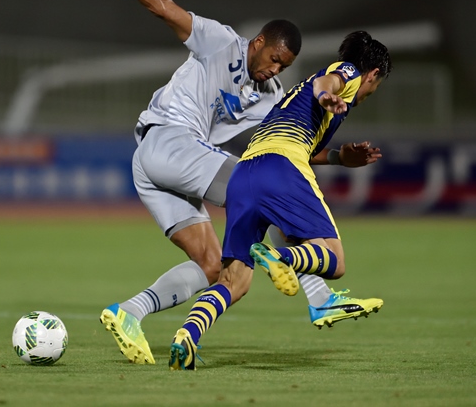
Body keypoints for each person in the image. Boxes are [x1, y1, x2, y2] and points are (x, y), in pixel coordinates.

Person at [79, 0, 382, 365]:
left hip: (162, 164)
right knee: (264, 189)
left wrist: (335, 158)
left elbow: (284, 141)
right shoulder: (220, 41)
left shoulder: (269, 94)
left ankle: (129, 312)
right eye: (273, 59)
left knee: (212, 265)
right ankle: (320, 297)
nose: (275, 70)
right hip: (168, 138)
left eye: (283, 66)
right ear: (258, 42)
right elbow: (162, 6)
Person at [168, 31, 392, 370]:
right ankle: (279, 256)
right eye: (377, 85)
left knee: (234, 281)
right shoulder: (348, 73)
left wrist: (339, 158)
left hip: (244, 174)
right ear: (373, 74)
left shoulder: (297, 96)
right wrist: (326, 96)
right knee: (334, 260)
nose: (372, 91)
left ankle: (187, 335)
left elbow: (308, 146)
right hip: (281, 167)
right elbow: (328, 83)